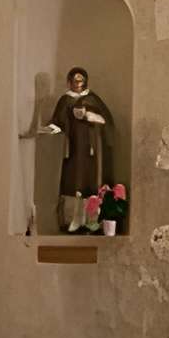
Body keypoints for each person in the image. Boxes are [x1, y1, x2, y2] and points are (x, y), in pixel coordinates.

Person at [50, 67, 114, 233]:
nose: (78, 84)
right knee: (74, 183)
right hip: (73, 150)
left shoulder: (92, 99)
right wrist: (51, 129)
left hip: (92, 149)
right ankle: (74, 219)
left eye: (81, 81)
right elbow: (58, 121)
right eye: (75, 81)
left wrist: (89, 116)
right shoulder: (65, 100)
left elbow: (106, 121)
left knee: (91, 183)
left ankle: (92, 221)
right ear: (69, 81)